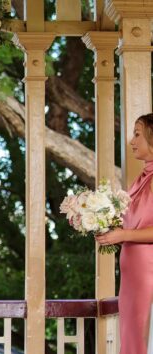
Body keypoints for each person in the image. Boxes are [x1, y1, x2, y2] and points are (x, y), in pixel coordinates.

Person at [96, 113, 153, 354]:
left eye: (137, 134)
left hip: (149, 273)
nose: (131, 141)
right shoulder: (140, 179)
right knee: (131, 337)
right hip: (132, 276)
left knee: (144, 337)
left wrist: (123, 235)